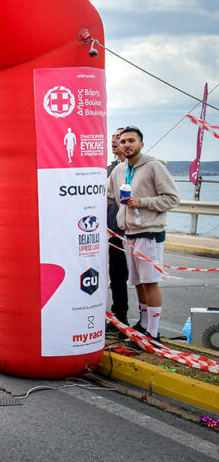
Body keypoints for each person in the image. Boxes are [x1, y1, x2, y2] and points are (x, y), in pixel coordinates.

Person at [106, 127, 179, 340]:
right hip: (128, 233)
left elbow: (172, 198)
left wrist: (143, 202)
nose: (126, 144)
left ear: (141, 144)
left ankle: (153, 332)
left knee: (150, 281)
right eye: (123, 141)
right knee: (137, 282)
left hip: (150, 232)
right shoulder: (119, 171)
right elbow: (108, 196)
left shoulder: (154, 167)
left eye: (131, 141)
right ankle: (144, 325)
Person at [105, 128, 129, 330]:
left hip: (132, 232)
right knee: (116, 277)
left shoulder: (136, 168)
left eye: (118, 137)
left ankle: (147, 325)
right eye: (113, 137)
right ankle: (119, 317)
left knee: (141, 280)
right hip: (112, 232)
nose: (114, 140)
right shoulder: (109, 169)